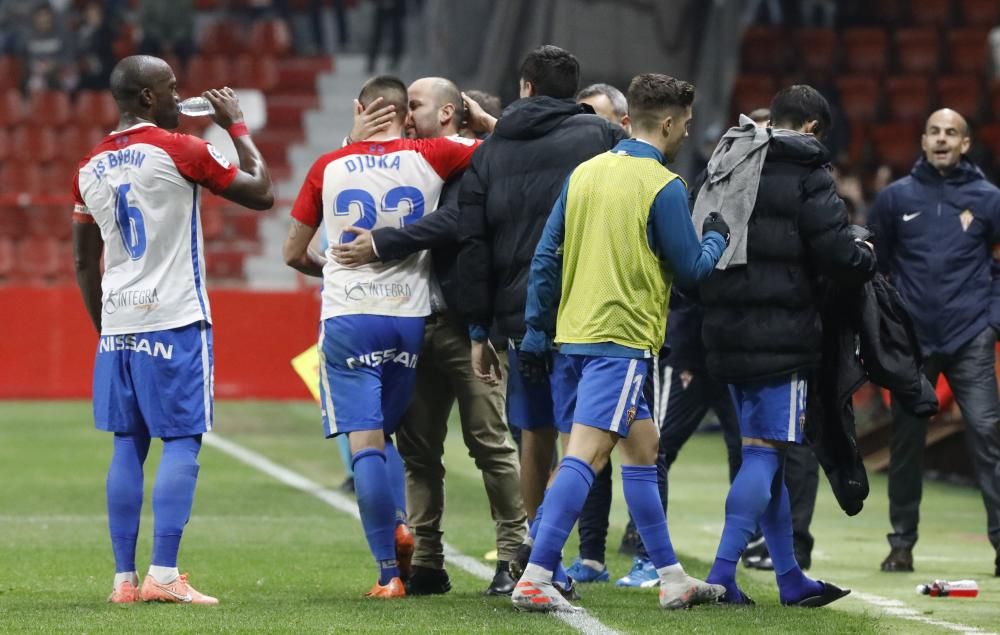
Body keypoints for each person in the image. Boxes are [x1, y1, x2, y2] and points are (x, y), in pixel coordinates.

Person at [512, 73, 730, 613]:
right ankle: (537, 571)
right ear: (674, 122)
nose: (687, 131)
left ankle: (671, 576)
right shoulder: (664, 186)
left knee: (643, 449)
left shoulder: (584, 174)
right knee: (585, 456)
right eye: (688, 122)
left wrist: (539, 331)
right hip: (623, 338)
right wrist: (718, 239)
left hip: (575, 336)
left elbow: (545, 256)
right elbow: (691, 272)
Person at [72, 55, 274, 605]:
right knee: (182, 440)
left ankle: (123, 581)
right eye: (171, 89)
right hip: (176, 318)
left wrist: (106, 328)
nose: (180, 98)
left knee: (127, 444)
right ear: (145, 98)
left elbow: (85, 263)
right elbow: (262, 193)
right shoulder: (179, 148)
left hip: (118, 324)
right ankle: (163, 573)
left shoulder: (88, 165)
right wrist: (235, 125)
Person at [282, 75, 479, 599]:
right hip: (408, 318)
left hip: (349, 316)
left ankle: (389, 570)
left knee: (366, 444)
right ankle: (407, 532)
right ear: (401, 113)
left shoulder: (329, 166)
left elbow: (292, 253)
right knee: (390, 436)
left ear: (359, 109)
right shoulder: (434, 154)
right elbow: (501, 150)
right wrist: (479, 119)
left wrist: (331, 267)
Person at [329, 77, 525, 597]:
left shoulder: (477, 162)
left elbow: (456, 222)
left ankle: (513, 555)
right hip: (413, 324)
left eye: (413, 105)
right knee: (419, 453)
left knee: (489, 442)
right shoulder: (413, 162)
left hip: (467, 327)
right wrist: (354, 144)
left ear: (448, 113)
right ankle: (428, 559)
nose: (404, 113)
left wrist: (383, 242)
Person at [456, 47, 627, 594]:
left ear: (525, 87)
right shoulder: (599, 137)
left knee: (534, 433)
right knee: (591, 439)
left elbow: (473, 245)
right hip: (587, 306)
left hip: (513, 315)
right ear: (574, 94)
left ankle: (533, 551)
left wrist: (480, 330)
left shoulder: (491, 149)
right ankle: (542, 551)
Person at [697, 85, 874, 607]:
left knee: (763, 453)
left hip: (726, 332)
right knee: (764, 452)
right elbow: (837, 254)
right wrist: (865, 252)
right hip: (784, 336)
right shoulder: (807, 170)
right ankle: (723, 574)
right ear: (814, 128)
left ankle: (790, 578)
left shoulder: (726, 157)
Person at [868, 108, 1000, 577]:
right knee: (906, 443)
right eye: (935, 132)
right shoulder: (894, 198)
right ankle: (901, 544)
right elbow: (872, 265)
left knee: (987, 435)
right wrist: (885, 325)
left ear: (965, 144)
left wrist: (992, 322)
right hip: (912, 344)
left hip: (970, 339)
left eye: (952, 133)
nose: (943, 139)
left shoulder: (989, 199)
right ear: (923, 140)